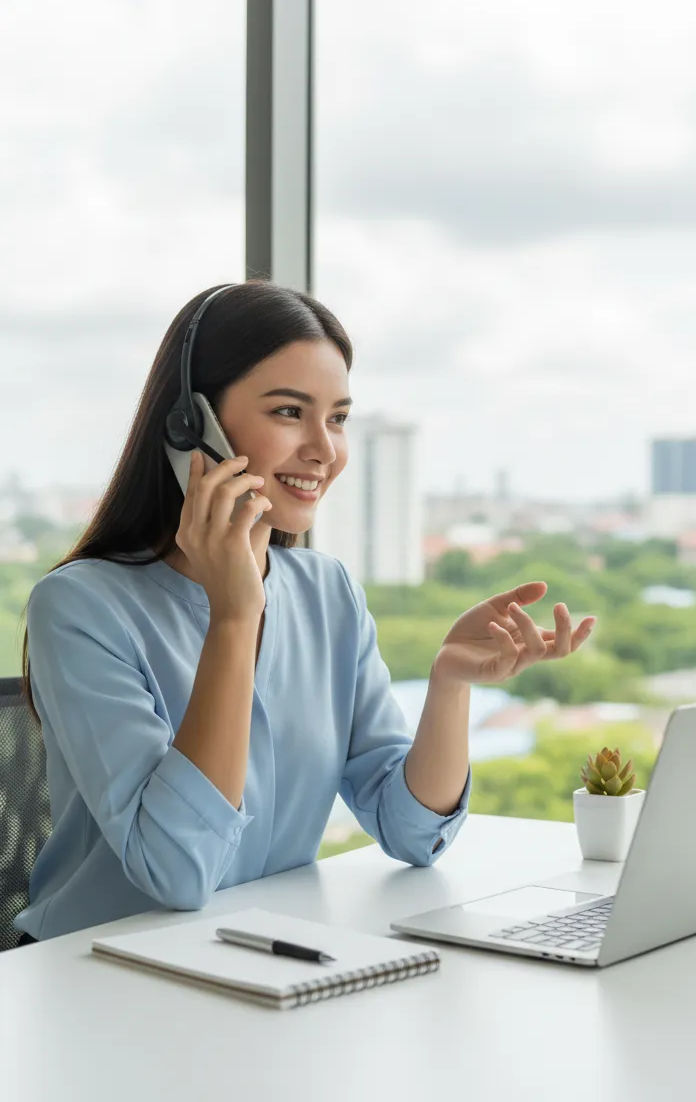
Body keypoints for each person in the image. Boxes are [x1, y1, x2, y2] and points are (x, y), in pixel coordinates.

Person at [14, 281, 596, 943]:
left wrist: (450, 683)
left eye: (340, 417)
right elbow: (176, 871)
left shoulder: (328, 592)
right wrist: (235, 616)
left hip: (253, 959)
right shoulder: (82, 607)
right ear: (190, 425)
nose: (326, 449)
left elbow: (412, 834)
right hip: (96, 976)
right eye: (290, 411)